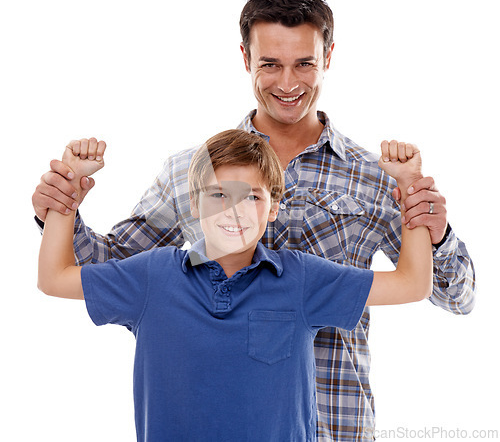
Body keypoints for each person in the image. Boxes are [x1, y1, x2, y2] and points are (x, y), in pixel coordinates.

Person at [32, 0, 475, 440]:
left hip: (336, 428)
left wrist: (434, 232)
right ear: (246, 59)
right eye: (270, 64)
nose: (288, 83)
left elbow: (453, 296)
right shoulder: (191, 170)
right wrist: (61, 209)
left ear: (328, 58)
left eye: (304, 63)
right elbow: (108, 267)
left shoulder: (375, 176)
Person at [38, 130, 432, 442]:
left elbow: (412, 284)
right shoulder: (151, 277)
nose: (234, 211)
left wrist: (411, 186)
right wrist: (67, 195)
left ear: (274, 207)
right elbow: (54, 278)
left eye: (253, 197)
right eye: (218, 195)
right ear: (194, 203)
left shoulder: (301, 279)